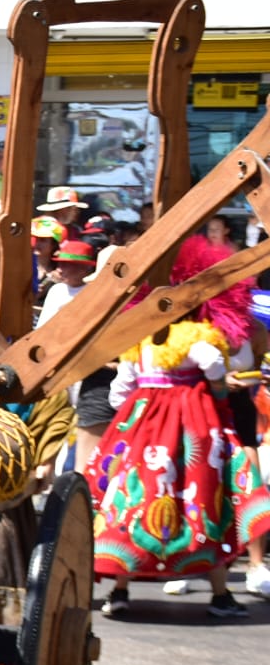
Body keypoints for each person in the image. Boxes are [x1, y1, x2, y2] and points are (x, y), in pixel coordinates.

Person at [87, 235, 270, 620]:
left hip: (141, 433)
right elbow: (215, 368)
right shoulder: (201, 337)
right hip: (194, 432)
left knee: (134, 501)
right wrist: (215, 389)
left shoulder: (140, 342)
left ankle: (119, 592)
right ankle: (220, 596)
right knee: (204, 502)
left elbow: (121, 391)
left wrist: (138, 410)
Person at [36, 240, 95, 328]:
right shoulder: (56, 290)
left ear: (84, 267)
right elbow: (42, 325)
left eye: (66, 265)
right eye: (59, 264)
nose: (59, 269)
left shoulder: (94, 293)